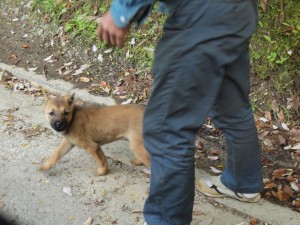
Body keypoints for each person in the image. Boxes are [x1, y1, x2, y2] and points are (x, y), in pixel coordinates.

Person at [97, 0, 263, 224]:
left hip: (200, 16)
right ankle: (243, 183)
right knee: (232, 108)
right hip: (238, 10)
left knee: (168, 131)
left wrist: (121, 12)